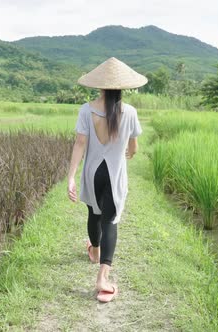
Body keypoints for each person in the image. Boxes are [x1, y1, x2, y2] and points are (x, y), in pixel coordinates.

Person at [67, 57, 147, 303]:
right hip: (114, 175)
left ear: (100, 86)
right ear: (122, 88)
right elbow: (133, 148)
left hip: (93, 174)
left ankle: (95, 251)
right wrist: (128, 153)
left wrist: (71, 177)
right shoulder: (130, 112)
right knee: (110, 221)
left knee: (94, 213)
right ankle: (102, 278)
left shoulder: (86, 109)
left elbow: (80, 143)